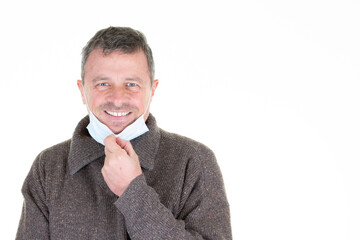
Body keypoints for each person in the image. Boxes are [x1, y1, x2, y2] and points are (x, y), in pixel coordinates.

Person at [16, 26, 232, 239]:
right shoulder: (48, 167)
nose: (117, 99)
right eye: (103, 84)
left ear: (152, 90)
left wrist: (133, 192)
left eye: (131, 84)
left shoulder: (194, 161)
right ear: (83, 91)